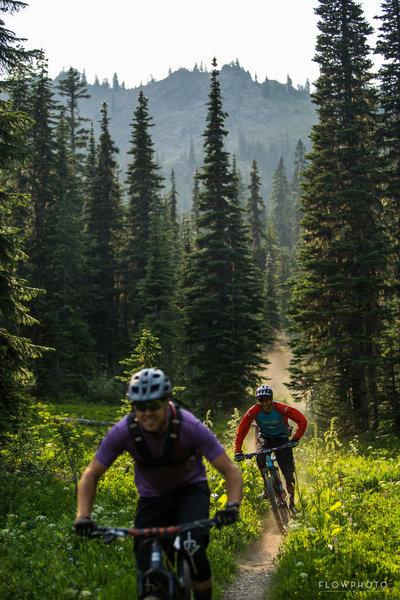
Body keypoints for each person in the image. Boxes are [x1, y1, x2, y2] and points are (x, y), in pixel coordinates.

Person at [74, 367, 243, 600]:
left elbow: (231, 471)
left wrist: (232, 506)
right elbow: (91, 473)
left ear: (166, 402)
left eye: (153, 405)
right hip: (152, 498)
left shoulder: (189, 426)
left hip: (190, 490)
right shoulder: (125, 430)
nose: (147, 412)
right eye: (140, 406)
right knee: (146, 568)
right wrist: (83, 516)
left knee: (193, 547)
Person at [234, 384, 307, 511]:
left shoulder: (281, 408)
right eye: (260, 400)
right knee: (260, 458)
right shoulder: (254, 410)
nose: (263, 403)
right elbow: (242, 429)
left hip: (282, 438)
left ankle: (292, 503)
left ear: (271, 399)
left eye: (266, 400)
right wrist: (238, 451)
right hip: (265, 437)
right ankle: (267, 487)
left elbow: (302, 421)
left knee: (289, 475)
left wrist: (296, 438)